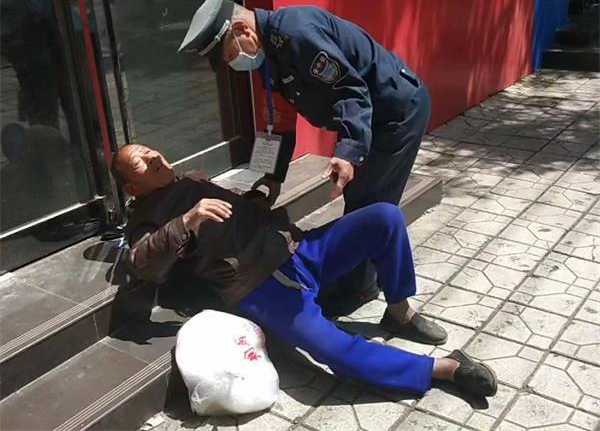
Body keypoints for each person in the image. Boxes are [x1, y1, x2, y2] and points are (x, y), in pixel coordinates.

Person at [112, 143, 497, 399]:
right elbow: (141, 263)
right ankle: (445, 369)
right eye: (139, 161)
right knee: (332, 348)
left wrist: (259, 197)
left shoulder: (192, 179)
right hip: (261, 287)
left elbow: (232, 222)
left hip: (296, 249)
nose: (151, 156)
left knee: (384, 217)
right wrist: (186, 221)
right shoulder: (147, 216)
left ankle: (399, 311)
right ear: (132, 187)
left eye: (148, 150)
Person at [177, 0, 432, 314]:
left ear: (242, 29)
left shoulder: (297, 34)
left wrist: (349, 151)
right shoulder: (269, 54)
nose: (233, 63)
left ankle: (360, 289)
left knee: (369, 201)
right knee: (360, 198)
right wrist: (274, 177)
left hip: (394, 114)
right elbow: (280, 118)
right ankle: (358, 281)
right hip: (365, 119)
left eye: (230, 55)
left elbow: (350, 91)